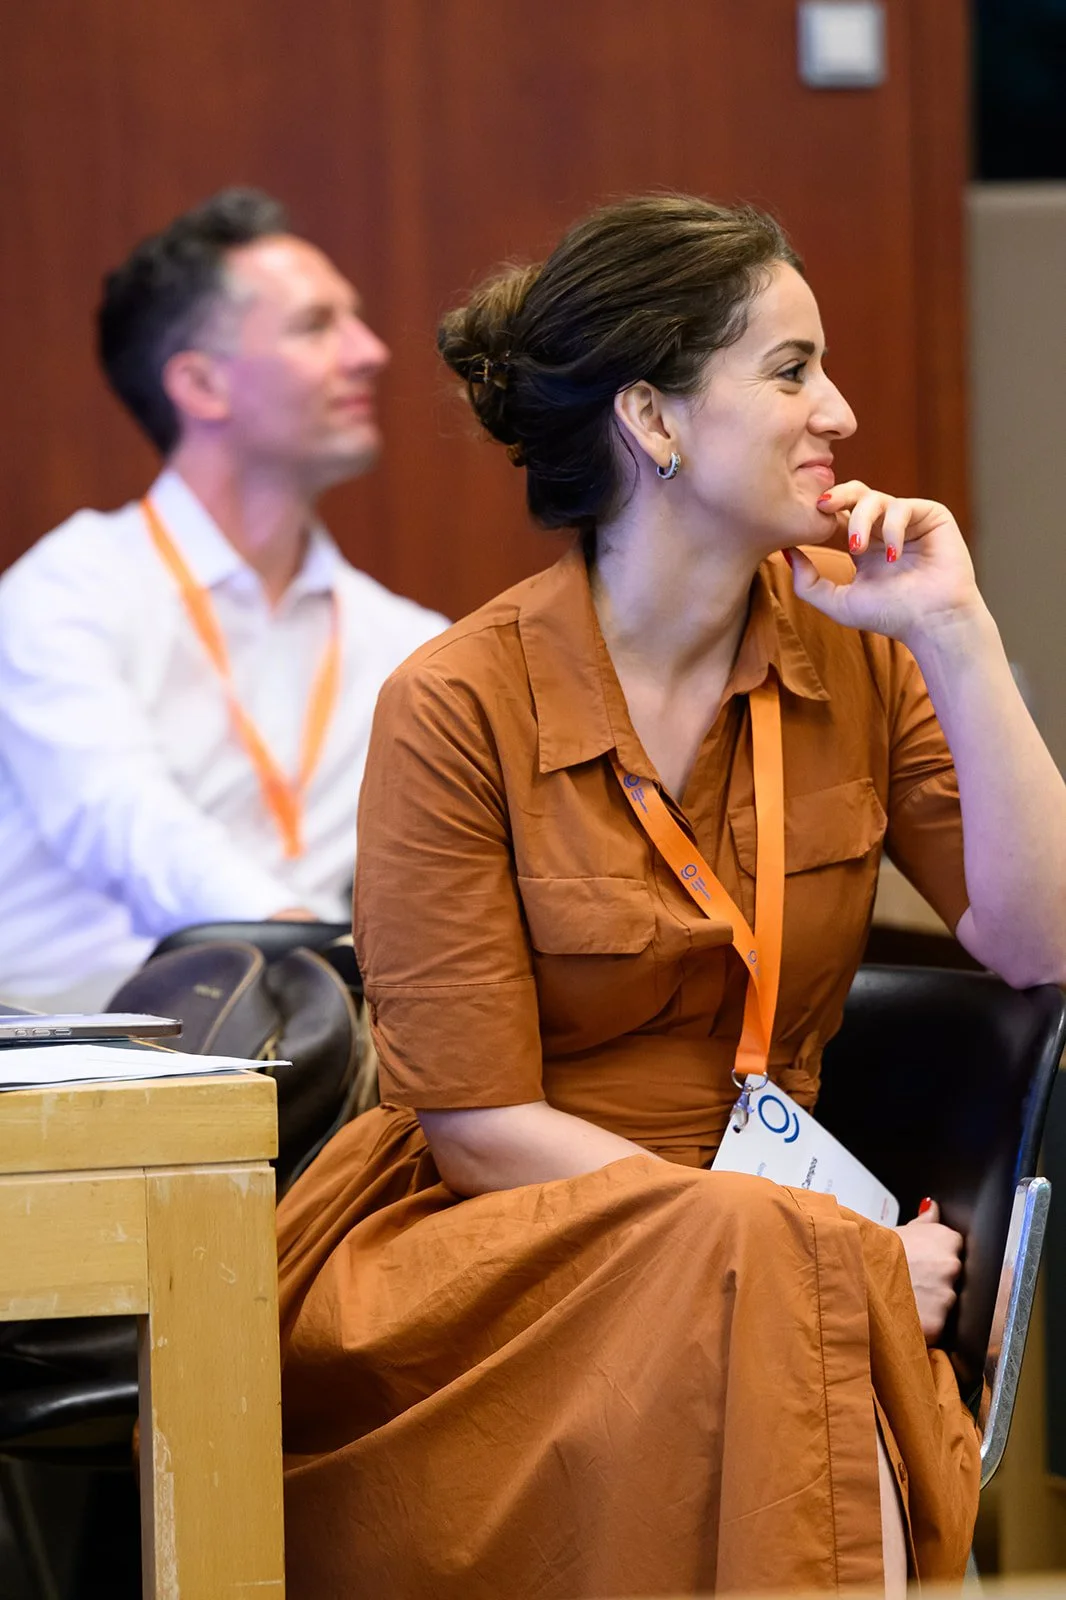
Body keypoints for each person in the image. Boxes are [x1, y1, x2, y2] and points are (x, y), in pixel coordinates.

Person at [276, 196, 1066, 1597]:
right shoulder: (455, 703)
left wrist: (954, 630)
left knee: (784, 1323)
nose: (838, 409)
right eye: (787, 369)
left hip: (766, 1235)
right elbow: (474, 1129)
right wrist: (821, 1244)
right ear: (650, 420)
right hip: (493, 1255)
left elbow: (1037, 939)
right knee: (784, 1300)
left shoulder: (864, 654)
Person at [0, 189, 446, 1011]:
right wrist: (331, 960)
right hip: (80, 1060)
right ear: (201, 384)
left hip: (322, 1047)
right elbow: (129, 826)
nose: (372, 351)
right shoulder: (67, 591)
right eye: (317, 326)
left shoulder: (408, 644)